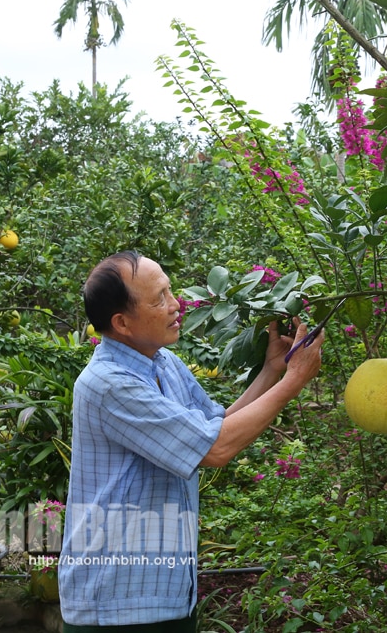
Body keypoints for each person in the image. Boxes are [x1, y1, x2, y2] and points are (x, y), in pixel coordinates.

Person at [58, 251, 324, 632]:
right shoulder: (108, 384)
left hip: (165, 594)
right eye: (159, 299)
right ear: (122, 322)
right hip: (117, 603)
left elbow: (215, 427)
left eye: (170, 291)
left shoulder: (163, 362)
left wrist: (272, 371)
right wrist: (294, 381)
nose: (176, 305)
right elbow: (215, 450)